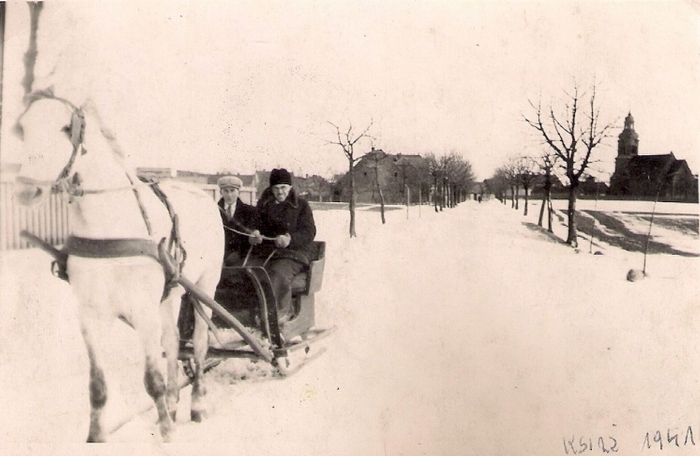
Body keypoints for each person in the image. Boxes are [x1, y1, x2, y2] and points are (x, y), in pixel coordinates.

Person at [249, 168, 316, 323]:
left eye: (283, 188)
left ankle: (280, 316)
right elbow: (255, 225)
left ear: (290, 187)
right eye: (276, 188)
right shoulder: (264, 205)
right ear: (271, 189)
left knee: (277, 273)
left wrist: (289, 239)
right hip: (267, 253)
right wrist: (255, 234)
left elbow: (309, 231)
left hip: (294, 255)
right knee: (251, 272)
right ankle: (252, 315)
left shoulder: (301, 205)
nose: (280, 192)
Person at [216, 175, 258, 266]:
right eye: (226, 191)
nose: (229, 195)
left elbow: (250, 237)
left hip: (241, 257)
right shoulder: (214, 211)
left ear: (239, 192)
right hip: (218, 256)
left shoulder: (250, 211)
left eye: (232, 191)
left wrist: (239, 254)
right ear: (221, 192)